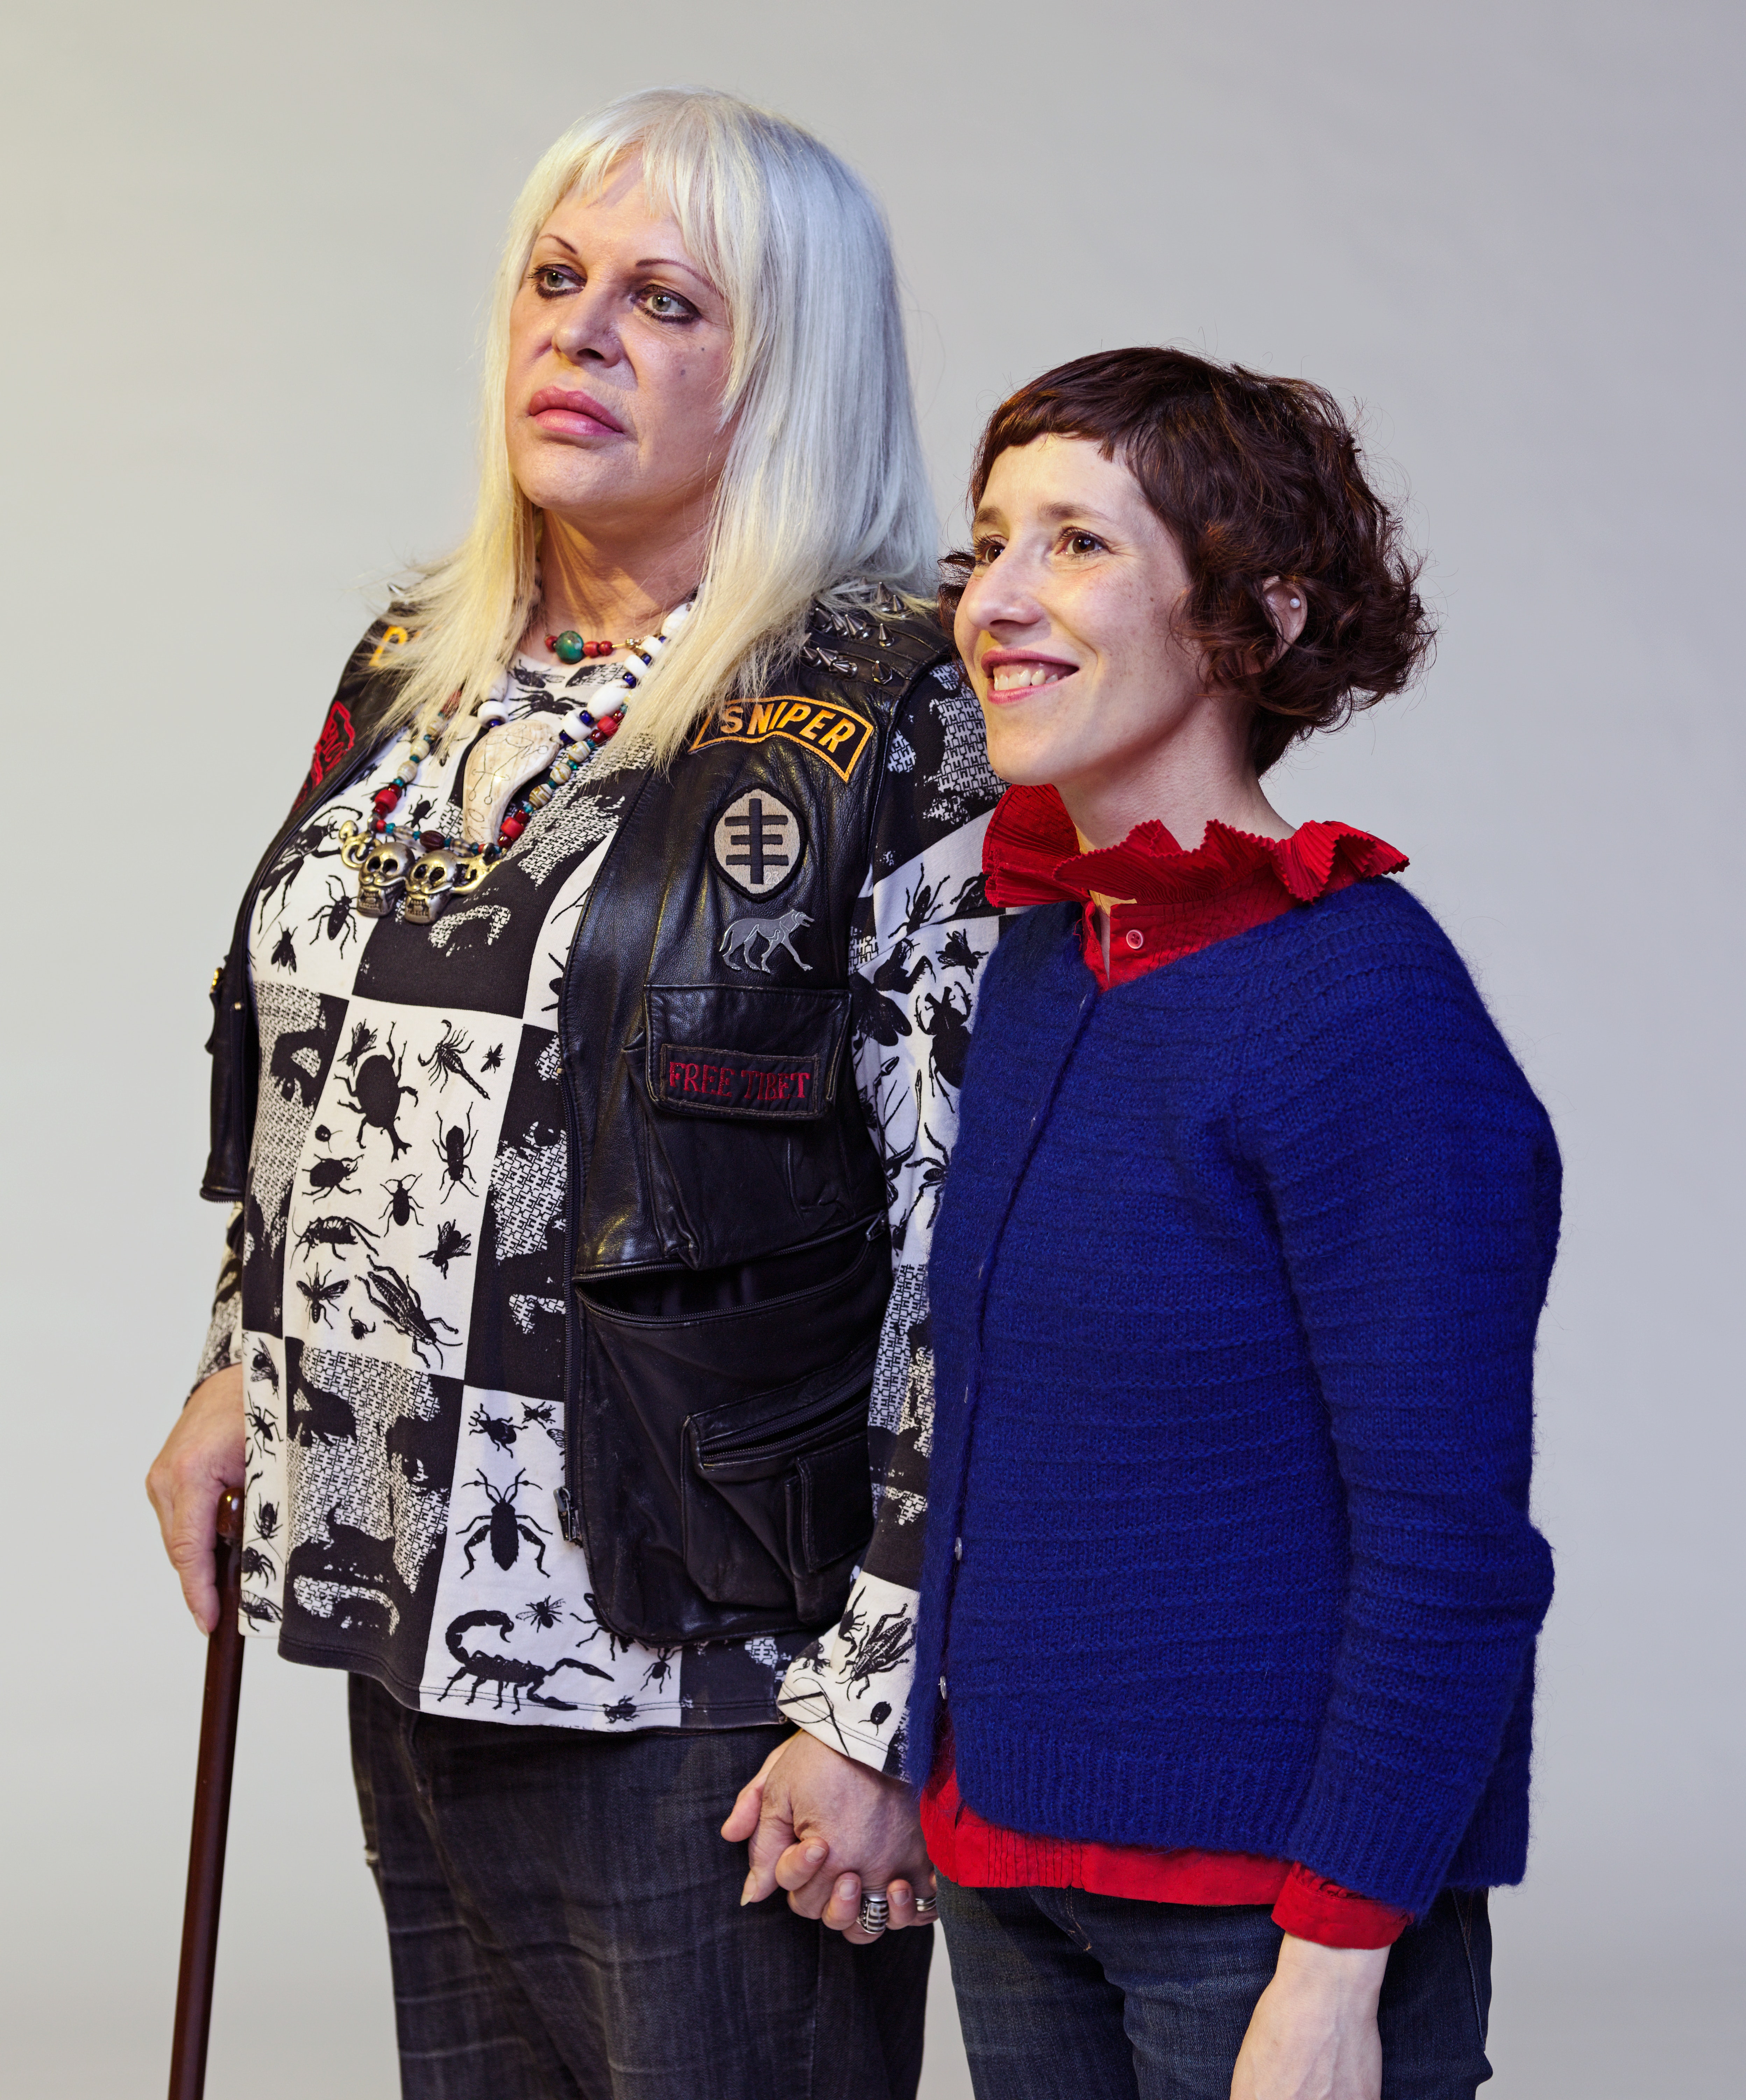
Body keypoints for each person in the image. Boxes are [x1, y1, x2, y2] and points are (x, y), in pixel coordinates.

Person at [145, 86, 1008, 2100]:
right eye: (556, 278)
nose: (584, 330)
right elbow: (317, 1070)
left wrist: (878, 1702)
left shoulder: (902, 700)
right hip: (403, 1589)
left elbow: (968, 1240)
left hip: (697, 1649)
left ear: (789, 367)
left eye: (667, 301)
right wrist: (230, 1363)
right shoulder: (418, 659)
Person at [750, 348, 1562, 2099]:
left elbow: (1452, 1547)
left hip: (1266, 1912)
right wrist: (896, 1744)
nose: (998, 599)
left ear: (1257, 617)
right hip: (1010, 1869)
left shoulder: (1364, 1007)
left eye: (1079, 543)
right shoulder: (1052, 959)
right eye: (990, 543)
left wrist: (1334, 1969)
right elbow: (997, 1434)